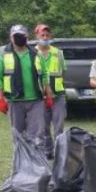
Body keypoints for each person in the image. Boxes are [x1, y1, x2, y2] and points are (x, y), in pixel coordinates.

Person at [0, 24, 49, 149]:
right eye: (16, 36)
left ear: (27, 37)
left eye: (21, 35)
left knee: (37, 137)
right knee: (18, 137)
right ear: (11, 37)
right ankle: (20, 166)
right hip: (14, 101)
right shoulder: (1, 54)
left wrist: (49, 95)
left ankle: (37, 167)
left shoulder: (36, 53)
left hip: (36, 100)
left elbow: (44, 75)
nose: (19, 38)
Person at [33, 24, 67, 158]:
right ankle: (48, 151)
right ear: (36, 36)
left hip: (58, 95)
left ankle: (59, 152)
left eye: (47, 35)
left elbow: (63, 71)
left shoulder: (58, 53)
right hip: (40, 96)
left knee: (59, 126)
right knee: (43, 126)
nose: (45, 37)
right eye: (42, 35)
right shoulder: (32, 53)